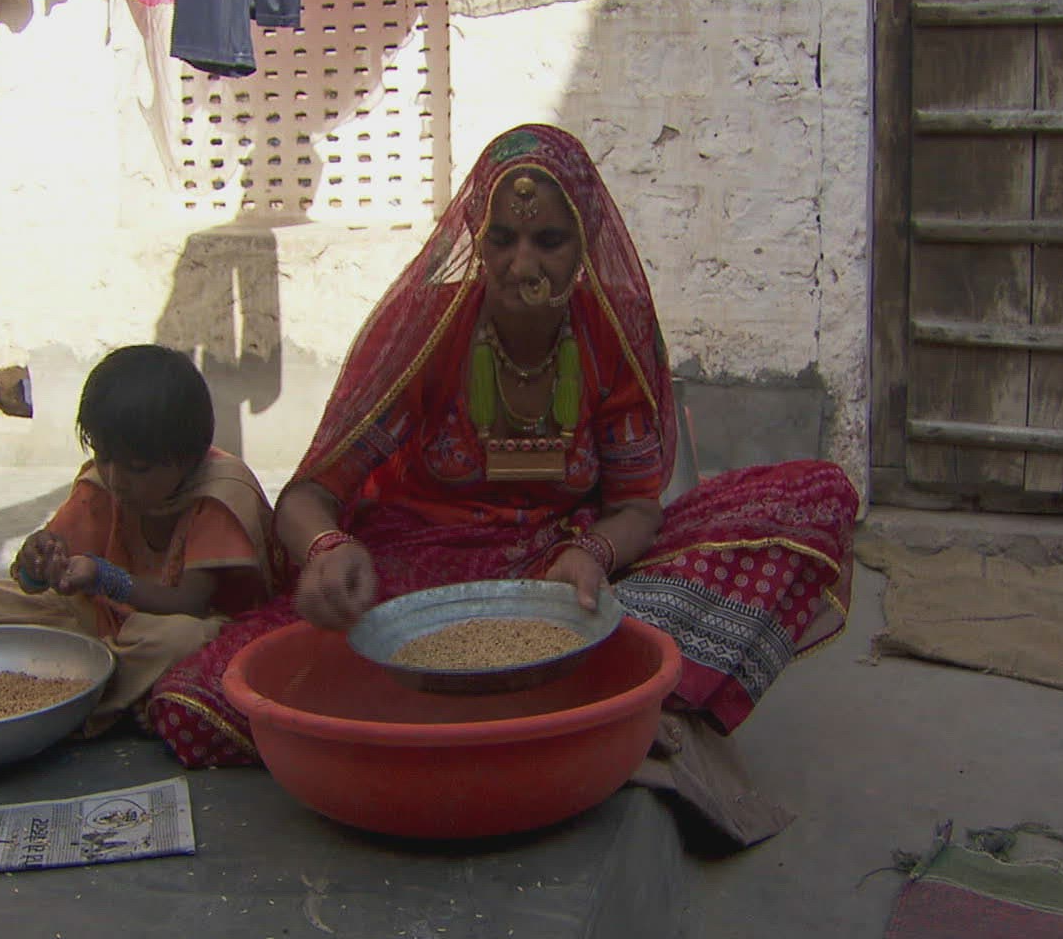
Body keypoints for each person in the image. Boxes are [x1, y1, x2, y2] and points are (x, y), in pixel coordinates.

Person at [146, 124, 858, 772]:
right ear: (476, 240)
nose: (523, 266)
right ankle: (570, 704)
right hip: (418, 578)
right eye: (502, 241)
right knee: (197, 705)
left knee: (815, 495)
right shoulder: (428, 332)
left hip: (564, 576)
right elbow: (310, 495)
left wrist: (593, 555)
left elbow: (638, 508)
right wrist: (329, 550)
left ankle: (506, 705)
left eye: (549, 241)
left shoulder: (614, 333)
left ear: (586, 244)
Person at [0, 344, 278, 736]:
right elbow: (41, 576)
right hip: (108, 624)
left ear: (187, 459)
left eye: (137, 468)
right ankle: (122, 689)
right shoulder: (102, 484)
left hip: (185, 626)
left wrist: (103, 578)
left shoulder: (220, 493)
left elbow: (189, 604)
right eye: (104, 457)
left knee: (179, 640)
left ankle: (74, 691)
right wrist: (36, 563)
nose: (116, 479)